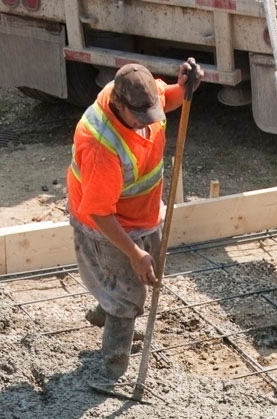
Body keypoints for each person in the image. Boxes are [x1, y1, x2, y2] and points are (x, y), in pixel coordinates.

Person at [67, 59, 204, 378]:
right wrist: (133, 252)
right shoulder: (102, 145)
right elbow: (100, 213)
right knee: (129, 295)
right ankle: (113, 368)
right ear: (118, 103)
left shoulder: (139, 92)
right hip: (104, 225)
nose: (148, 121)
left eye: (150, 112)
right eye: (139, 116)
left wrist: (185, 88)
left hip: (142, 212)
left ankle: (109, 308)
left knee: (143, 271)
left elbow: (168, 97)